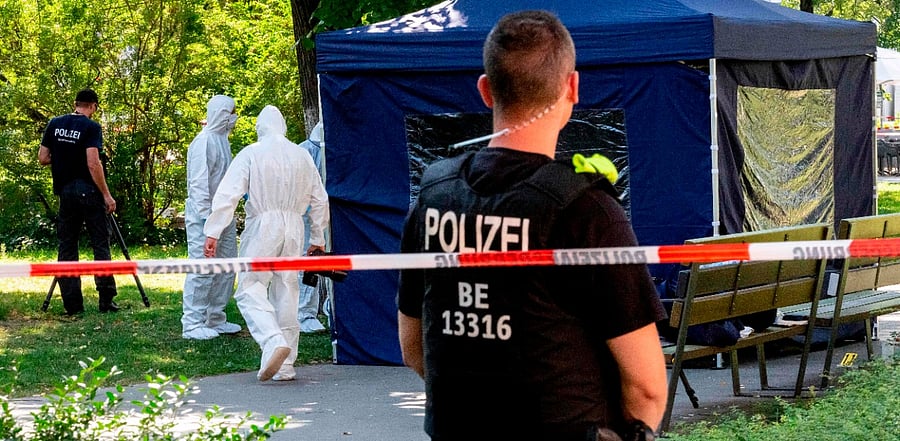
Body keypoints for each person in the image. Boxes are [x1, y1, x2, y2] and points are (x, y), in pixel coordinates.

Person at [396, 10, 668, 441]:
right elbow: (648, 387)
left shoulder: (433, 196)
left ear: (486, 91)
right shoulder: (586, 211)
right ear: (573, 87)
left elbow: (414, 347)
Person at [203, 105, 329, 382]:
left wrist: (213, 230)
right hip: (295, 226)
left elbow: (229, 192)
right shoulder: (302, 155)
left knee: (250, 288)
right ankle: (285, 366)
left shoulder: (252, 153)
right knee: (287, 289)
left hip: (263, 226)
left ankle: (272, 341)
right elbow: (320, 199)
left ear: (260, 128)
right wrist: (318, 238)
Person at [38, 89, 119, 315]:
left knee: (67, 246)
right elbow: (93, 163)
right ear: (93, 106)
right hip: (89, 191)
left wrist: (64, 156)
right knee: (100, 244)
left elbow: (43, 158)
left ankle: (72, 305)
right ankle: (105, 300)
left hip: (65, 192)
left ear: (76, 104)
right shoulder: (91, 127)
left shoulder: (55, 124)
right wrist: (106, 194)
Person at [182, 95, 242, 340]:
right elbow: (199, 185)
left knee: (227, 266)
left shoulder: (222, 141)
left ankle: (215, 317)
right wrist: (209, 224)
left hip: (224, 215)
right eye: (230, 112)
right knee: (202, 267)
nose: (234, 117)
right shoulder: (204, 141)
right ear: (219, 113)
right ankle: (192, 323)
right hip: (203, 218)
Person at [296, 121, 329, 334]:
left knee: (331, 263)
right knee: (309, 262)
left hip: (328, 215)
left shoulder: (332, 150)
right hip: (307, 218)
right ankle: (304, 313)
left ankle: (329, 307)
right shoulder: (304, 152)